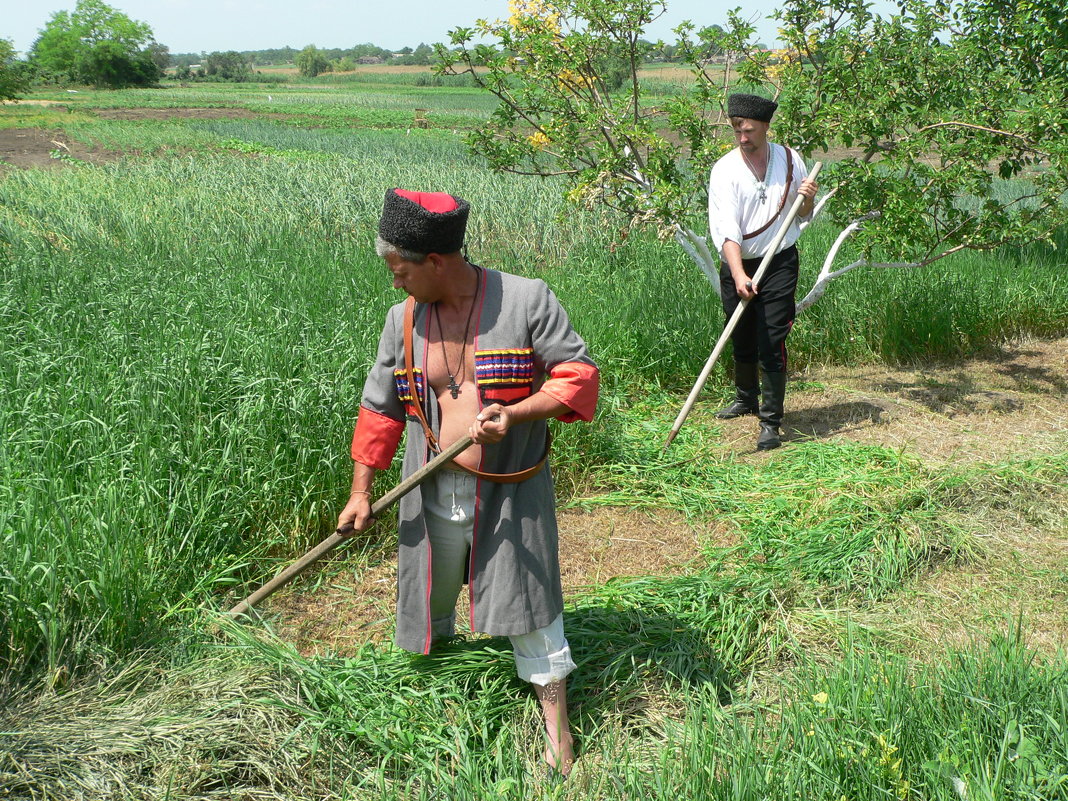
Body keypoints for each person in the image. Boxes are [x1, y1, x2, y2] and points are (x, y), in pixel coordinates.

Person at [337, 188, 599, 777]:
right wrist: (360, 491)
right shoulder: (401, 319)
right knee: (430, 599)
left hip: (510, 490)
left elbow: (578, 377)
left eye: (400, 270)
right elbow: (379, 408)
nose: (395, 282)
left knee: (530, 604)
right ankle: (443, 704)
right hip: (426, 488)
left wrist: (517, 414)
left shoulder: (526, 299)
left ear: (435, 262)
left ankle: (557, 732)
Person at [707, 93, 819, 450]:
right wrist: (739, 275)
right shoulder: (724, 170)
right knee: (739, 332)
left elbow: (802, 216)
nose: (742, 137)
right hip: (738, 260)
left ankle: (771, 421)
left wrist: (809, 198)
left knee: (771, 338)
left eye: (749, 130)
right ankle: (745, 398)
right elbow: (726, 230)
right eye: (736, 129)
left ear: (766, 127)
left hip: (780, 261)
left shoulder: (790, 160)